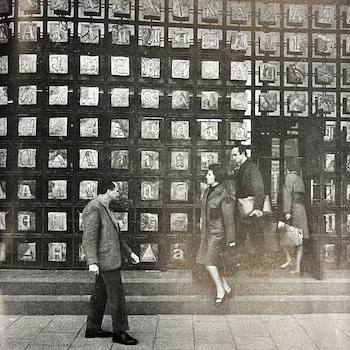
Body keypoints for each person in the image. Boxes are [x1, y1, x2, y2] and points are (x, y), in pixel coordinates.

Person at [82, 180, 140, 346]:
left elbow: (115, 236)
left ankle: (92, 328)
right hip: (104, 260)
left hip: (108, 259)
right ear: (108, 191)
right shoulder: (94, 207)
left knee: (100, 294)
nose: (118, 193)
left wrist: (129, 253)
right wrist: (92, 261)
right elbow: (89, 237)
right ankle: (119, 332)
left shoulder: (105, 207)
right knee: (117, 296)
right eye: (116, 191)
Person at [196, 163, 235, 307]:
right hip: (207, 233)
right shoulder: (206, 191)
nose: (207, 176)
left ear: (217, 177)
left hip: (217, 234)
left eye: (210, 174)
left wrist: (231, 239)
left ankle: (220, 290)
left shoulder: (223, 194)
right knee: (213, 262)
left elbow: (229, 219)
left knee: (209, 262)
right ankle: (226, 286)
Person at [231, 145, 265, 273]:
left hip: (251, 210)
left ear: (243, 154)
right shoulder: (242, 168)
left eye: (235, 155)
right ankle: (243, 265)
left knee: (255, 238)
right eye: (232, 156)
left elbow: (259, 188)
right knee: (242, 237)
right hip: (243, 209)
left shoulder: (252, 168)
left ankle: (258, 268)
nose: (233, 158)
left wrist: (257, 208)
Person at [280, 158, 309, 273]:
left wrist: (287, 211)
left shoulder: (289, 177)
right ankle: (297, 267)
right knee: (299, 238)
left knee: (283, 235)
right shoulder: (299, 179)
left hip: (293, 209)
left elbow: (287, 194)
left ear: (288, 167)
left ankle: (288, 259)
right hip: (301, 210)